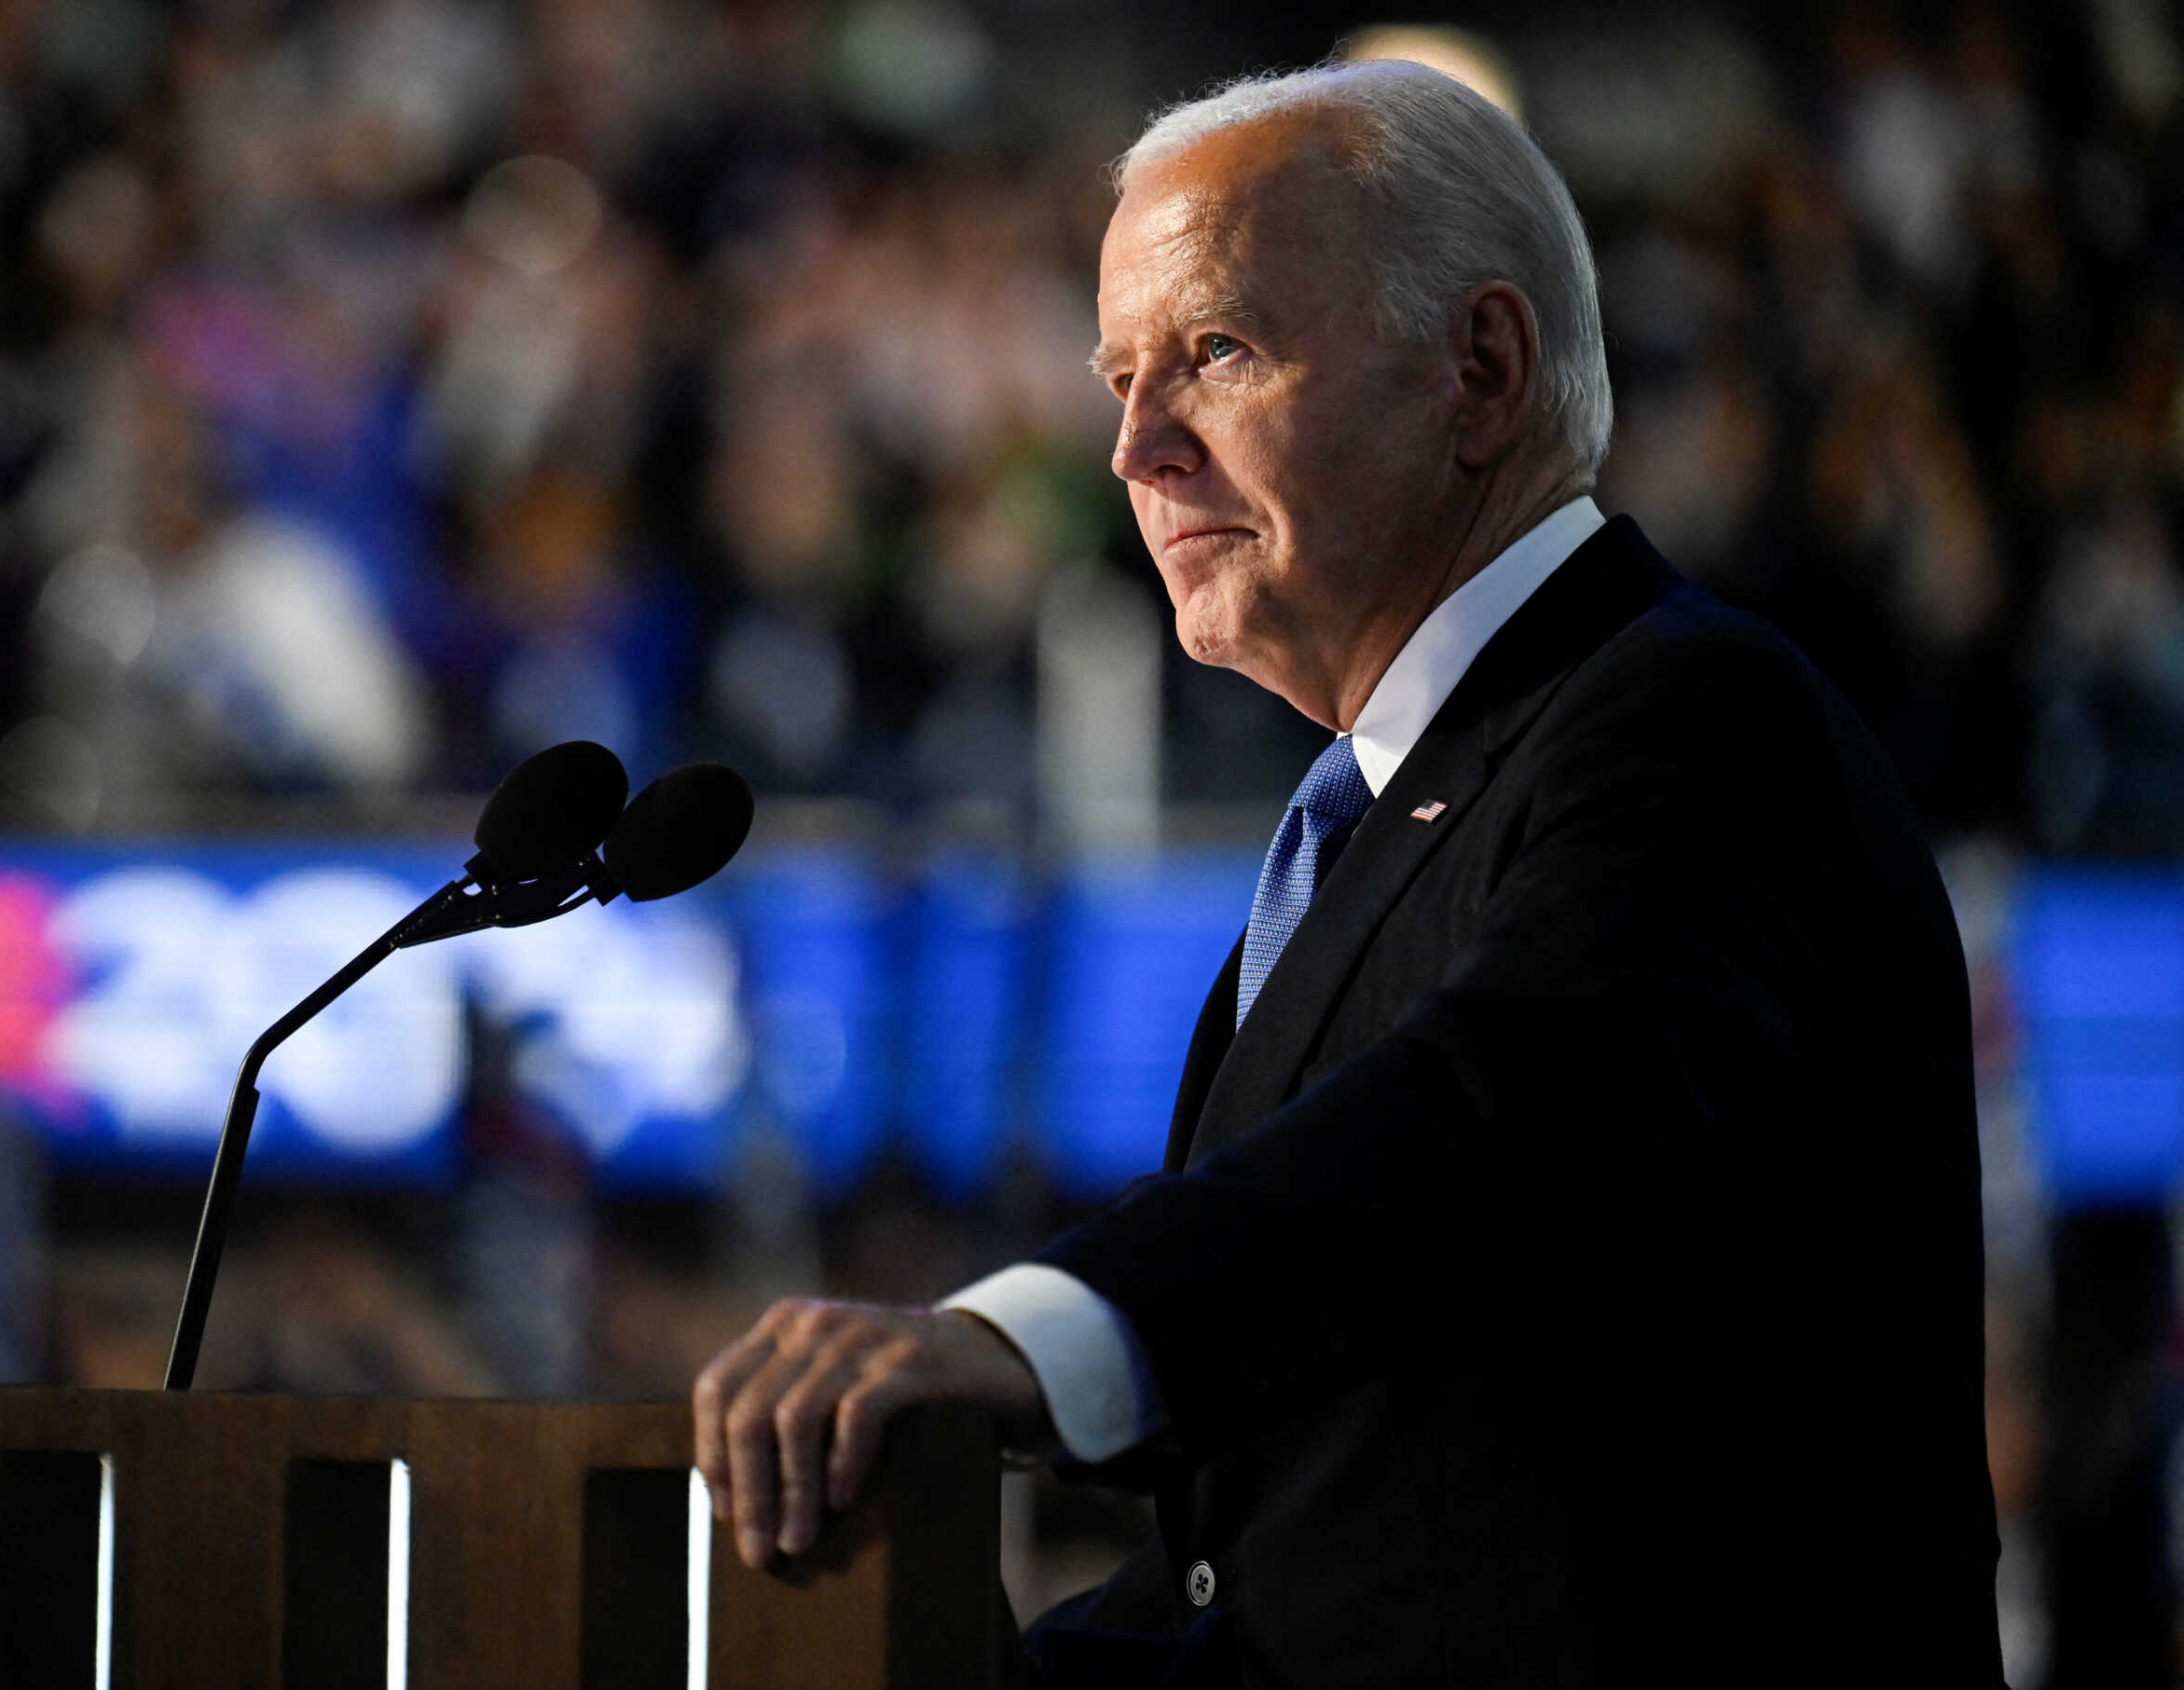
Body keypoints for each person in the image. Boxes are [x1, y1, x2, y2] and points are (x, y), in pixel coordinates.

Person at [693, 61, 2005, 1688]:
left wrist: (1017, 1342)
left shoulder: (1696, 720)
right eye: (1117, 379)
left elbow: (1492, 1126)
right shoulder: (1360, 824)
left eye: (1216, 353)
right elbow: (1317, 1551)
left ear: (1480, 369)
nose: (1135, 450)